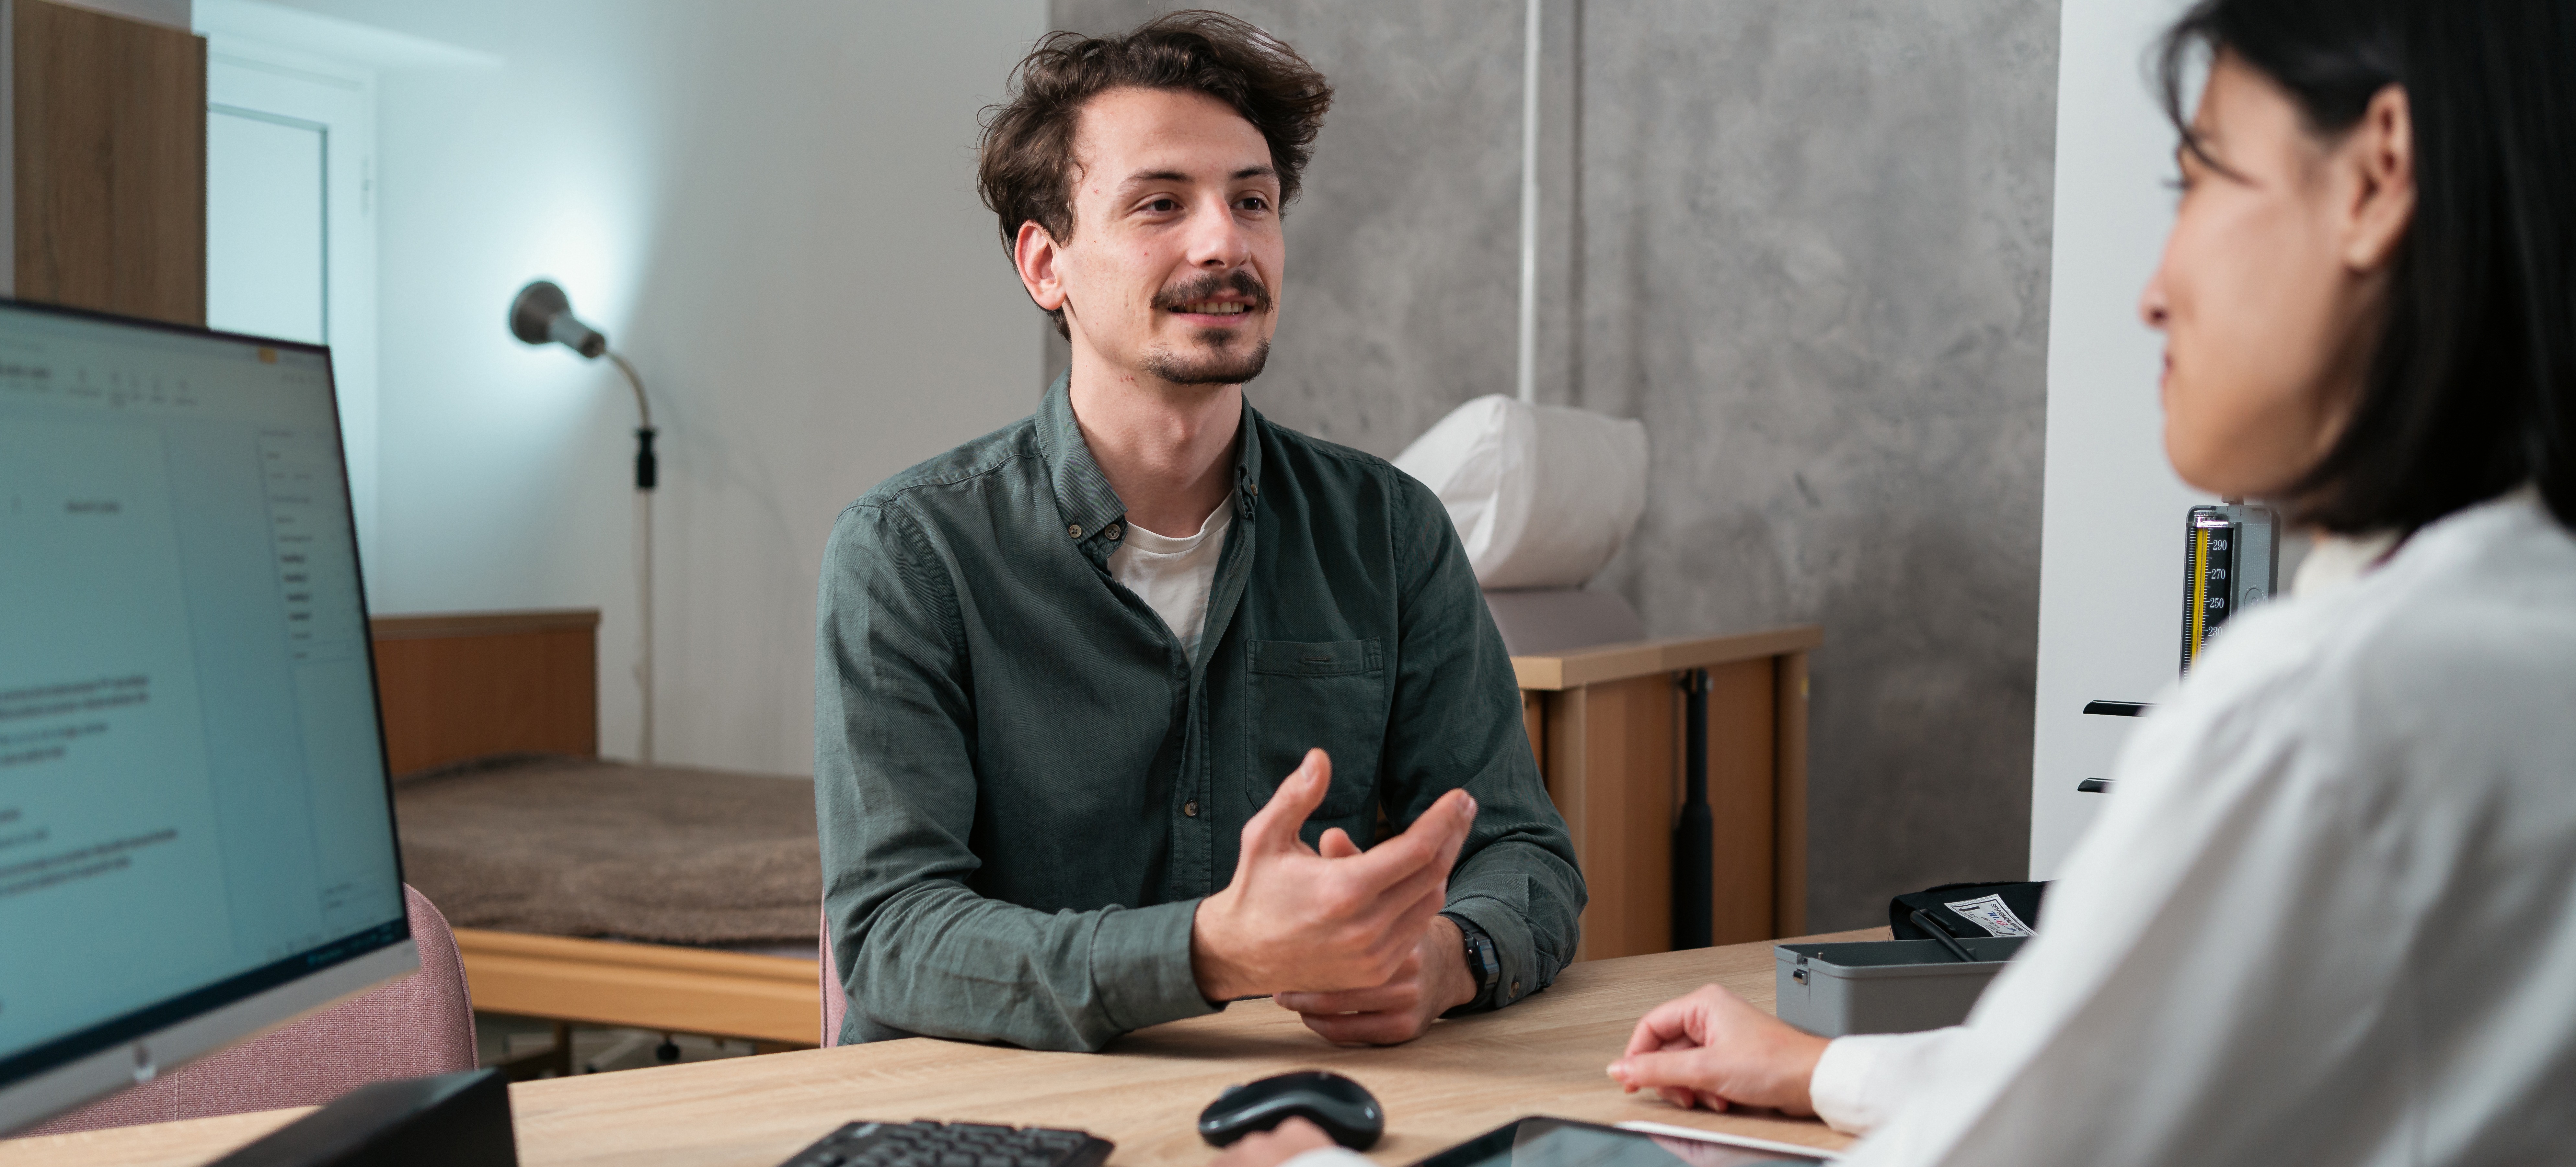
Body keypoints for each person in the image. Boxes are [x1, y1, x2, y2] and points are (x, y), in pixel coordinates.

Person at [1221, 1, 2576, 1164]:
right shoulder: (2514, 637)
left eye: (2201, 182)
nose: (2153, 291)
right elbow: (2111, 1076)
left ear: (2374, 175)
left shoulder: (2324, 714)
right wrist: (1824, 1072)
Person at [813, 12, 1584, 1053]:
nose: (1225, 241)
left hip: (1293, 1104)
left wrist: (1446, 959)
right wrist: (1214, 950)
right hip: (990, 1118)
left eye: (1253, 201)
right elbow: (896, 937)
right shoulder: (909, 553)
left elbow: (1524, 852)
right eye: (1161, 204)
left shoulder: (1390, 531)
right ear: (1047, 266)